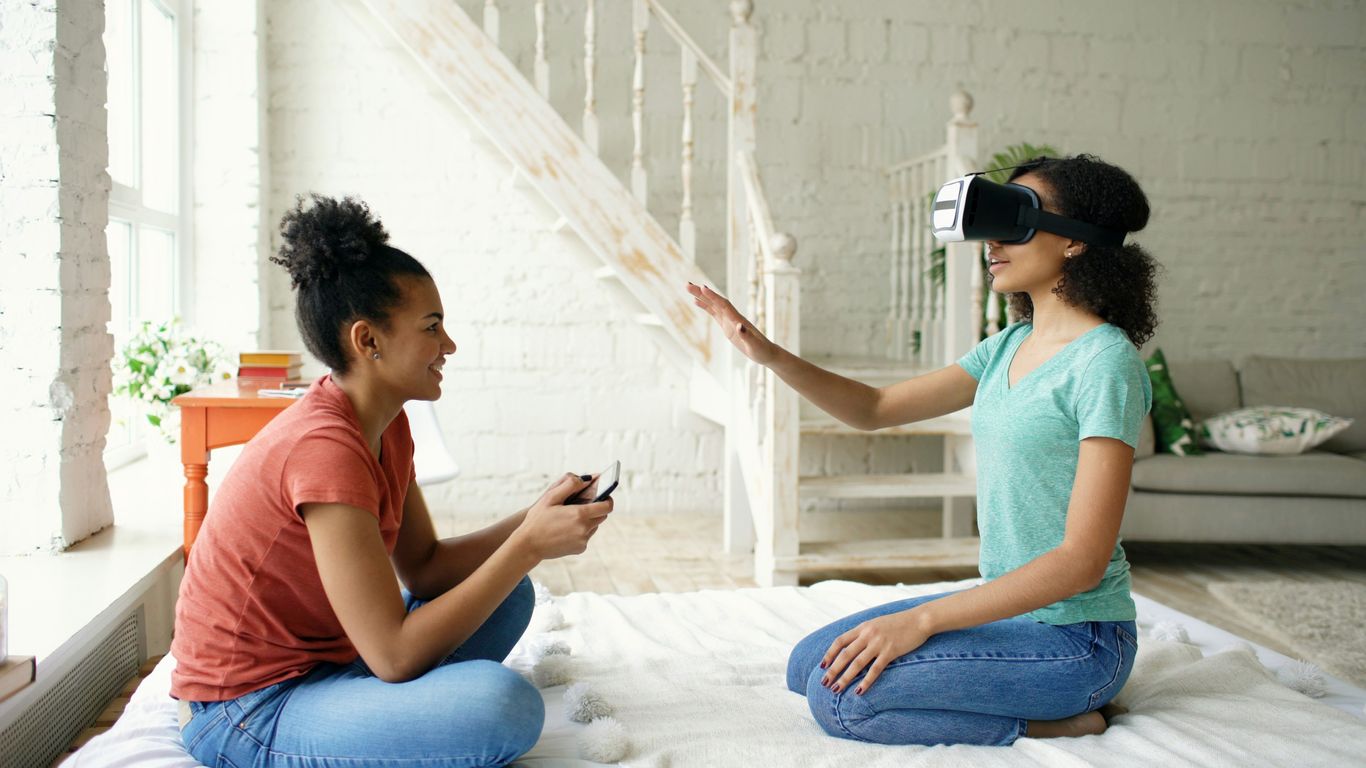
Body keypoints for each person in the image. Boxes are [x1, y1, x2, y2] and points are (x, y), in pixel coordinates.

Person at [688, 154, 1158, 746]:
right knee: (808, 664)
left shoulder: (1104, 363)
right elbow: (874, 409)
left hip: (1078, 640)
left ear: (1075, 243)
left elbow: (1082, 562)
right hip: (1011, 612)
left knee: (840, 703)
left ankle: (1059, 721)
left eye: (1017, 220)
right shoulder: (1009, 345)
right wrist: (770, 354)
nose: (992, 243)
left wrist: (923, 619)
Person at [172, 194, 614, 767]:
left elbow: (426, 565)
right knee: (504, 706)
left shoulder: (386, 424)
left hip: (336, 660)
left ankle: (391, 720)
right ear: (368, 341)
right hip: (246, 710)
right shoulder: (323, 449)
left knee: (510, 592)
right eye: (432, 328)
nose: (448, 346)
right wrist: (528, 545)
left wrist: (532, 518)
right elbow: (394, 657)